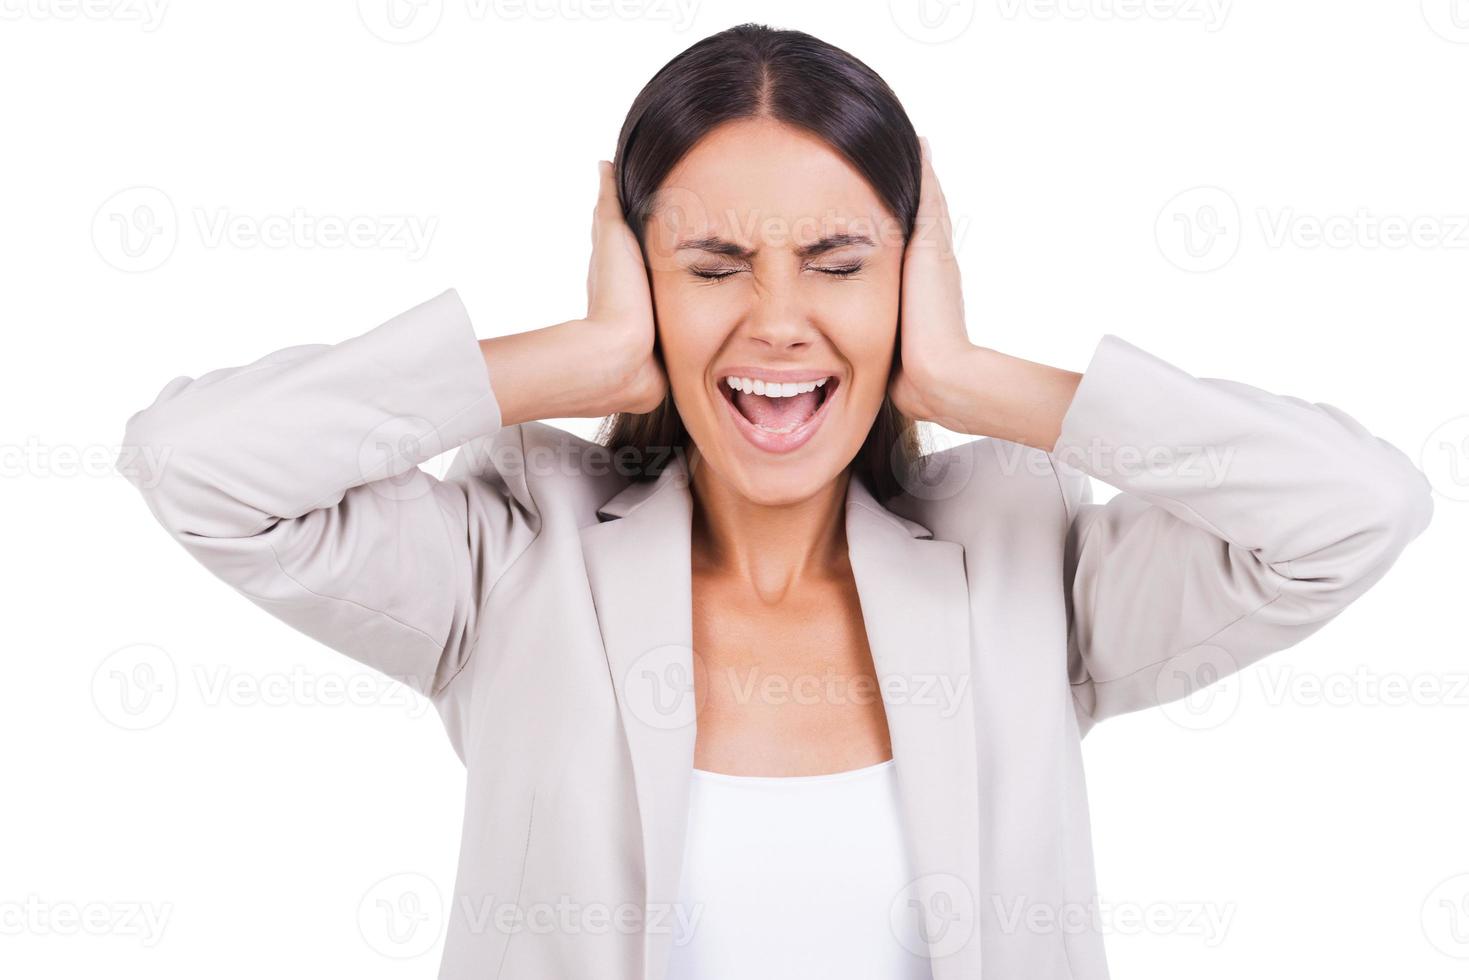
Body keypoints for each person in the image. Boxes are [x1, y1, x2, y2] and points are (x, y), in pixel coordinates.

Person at [119, 22, 1434, 980]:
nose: (777, 321)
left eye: (836, 262)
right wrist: (569, 360)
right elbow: (198, 467)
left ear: (910, 277)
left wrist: (978, 379)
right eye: (710, 265)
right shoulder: (516, 562)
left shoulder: (1025, 564)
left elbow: (1352, 509)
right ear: (637, 278)